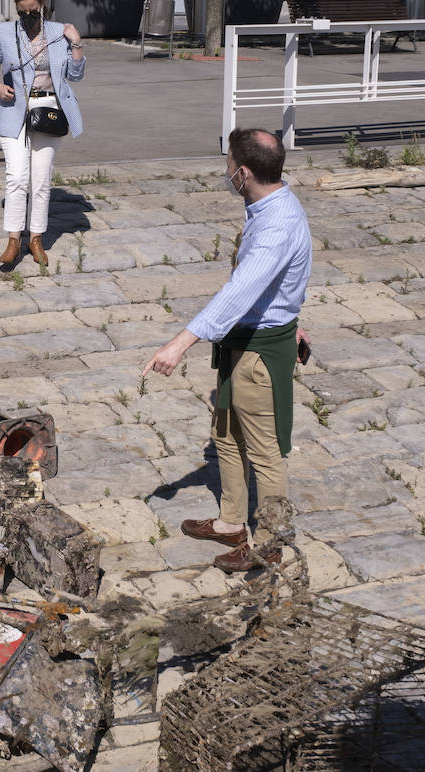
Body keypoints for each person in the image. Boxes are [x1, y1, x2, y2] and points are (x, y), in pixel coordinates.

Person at [141, 129, 312, 574]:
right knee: (226, 436)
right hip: (244, 342)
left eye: (228, 165)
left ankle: (271, 546)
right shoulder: (268, 204)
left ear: (243, 172)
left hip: (257, 352)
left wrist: (180, 343)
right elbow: (278, 282)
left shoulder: (276, 225)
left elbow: (240, 291)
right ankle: (230, 522)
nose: (225, 172)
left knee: (266, 453)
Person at [0, 0, 85, 267]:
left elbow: (75, 75)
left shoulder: (58, 32)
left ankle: (36, 238)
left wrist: (76, 43)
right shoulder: (4, 32)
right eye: (21, 12)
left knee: (41, 180)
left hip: (49, 110)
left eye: (32, 11)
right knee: (16, 176)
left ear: (42, 8)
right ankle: (14, 240)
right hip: (14, 111)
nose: (27, 17)